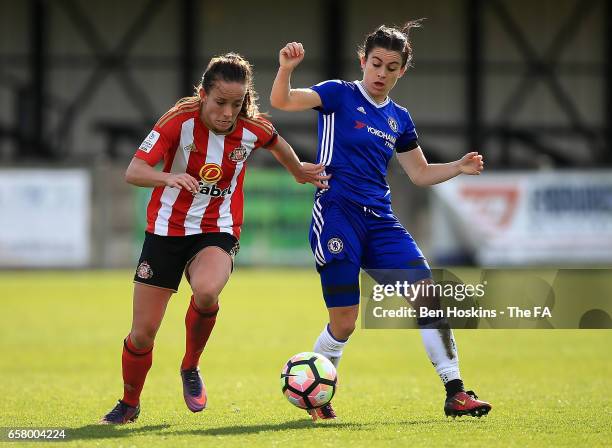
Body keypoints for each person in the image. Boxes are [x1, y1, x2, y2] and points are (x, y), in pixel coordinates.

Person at [270, 22, 492, 421]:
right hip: (337, 213)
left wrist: (458, 166)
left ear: (402, 71)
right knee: (346, 321)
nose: (381, 73)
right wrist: (286, 68)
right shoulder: (338, 94)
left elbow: (419, 174)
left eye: (392, 67)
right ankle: (315, 398)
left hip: (380, 222)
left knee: (428, 298)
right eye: (376, 63)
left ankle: (456, 392)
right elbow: (282, 101)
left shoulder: (399, 118)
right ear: (363, 61)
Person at [100, 53, 329, 424]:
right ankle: (129, 404)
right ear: (204, 95)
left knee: (207, 291)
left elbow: (277, 142)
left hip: (217, 229)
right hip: (165, 232)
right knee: (142, 335)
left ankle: (190, 366)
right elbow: (134, 171)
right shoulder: (178, 122)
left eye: (236, 104)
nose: (227, 112)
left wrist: (298, 171)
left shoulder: (251, 128)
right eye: (220, 102)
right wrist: (168, 178)